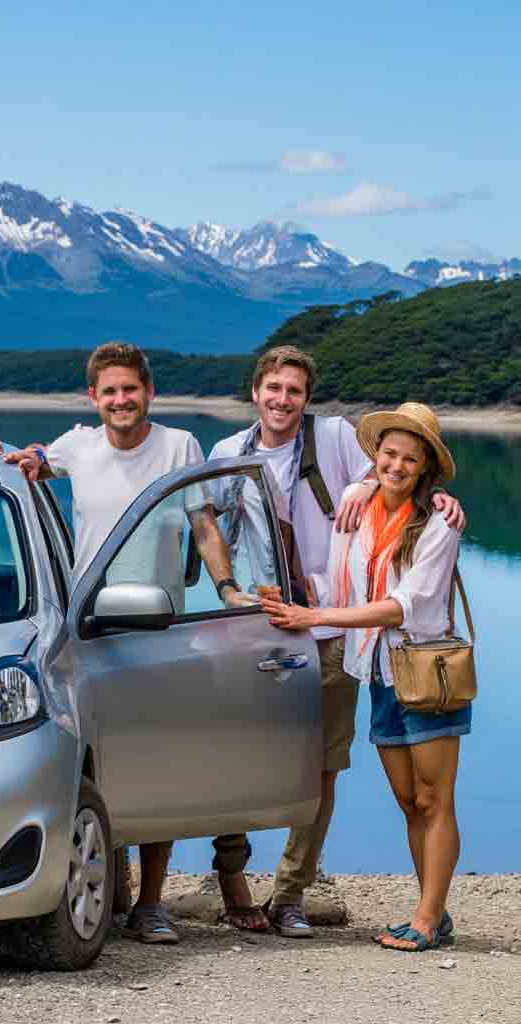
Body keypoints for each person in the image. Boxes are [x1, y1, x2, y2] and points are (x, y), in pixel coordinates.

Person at [0, 341, 267, 943]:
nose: (120, 401)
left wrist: (230, 588)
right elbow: (33, 462)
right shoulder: (77, 446)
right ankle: (106, 888)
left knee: (159, 766)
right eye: (108, 391)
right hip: (87, 635)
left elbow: (204, 524)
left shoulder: (178, 447)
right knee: (97, 769)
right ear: (93, 398)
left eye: (129, 390)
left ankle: (153, 903)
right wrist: (7, 455)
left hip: (160, 631)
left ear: (148, 392)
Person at [208, 347, 464, 940]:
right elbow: (206, 524)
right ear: (255, 392)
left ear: (306, 397)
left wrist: (389, 488)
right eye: (273, 388)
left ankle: (295, 893)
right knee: (238, 756)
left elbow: (392, 480)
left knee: (326, 767)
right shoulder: (228, 455)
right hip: (272, 629)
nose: (282, 400)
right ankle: (233, 885)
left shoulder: (337, 438)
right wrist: (229, 590)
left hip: (342, 638)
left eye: (294, 390)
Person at [262, 402, 467, 952]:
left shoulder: (439, 521)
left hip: (425, 669)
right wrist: (292, 600)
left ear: (426, 469)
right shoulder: (359, 509)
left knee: (434, 799)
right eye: (389, 453)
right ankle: (435, 912)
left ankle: (426, 919)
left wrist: (317, 618)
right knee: (407, 799)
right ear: (375, 454)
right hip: (376, 670)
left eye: (410, 459)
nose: (396, 465)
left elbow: (404, 605)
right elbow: (340, 586)